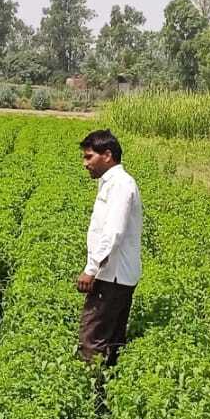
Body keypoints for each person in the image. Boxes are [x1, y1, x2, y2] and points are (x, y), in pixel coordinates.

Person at [76, 128, 142, 366]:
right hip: (117, 275)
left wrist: (91, 268)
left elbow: (113, 232)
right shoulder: (112, 183)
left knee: (92, 338)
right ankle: (106, 392)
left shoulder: (121, 185)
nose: (85, 163)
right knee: (112, 338)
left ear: (107, 155)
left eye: (88, 157)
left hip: (111, 276)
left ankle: (89, 392)